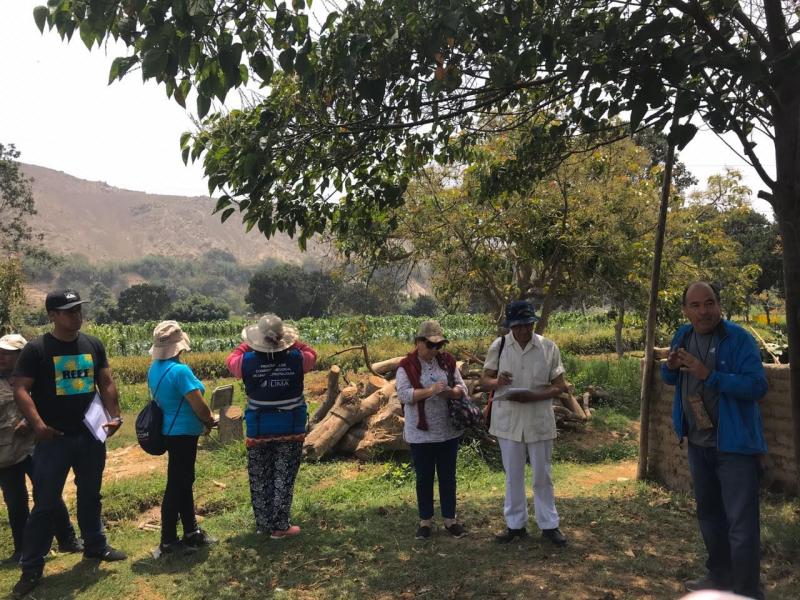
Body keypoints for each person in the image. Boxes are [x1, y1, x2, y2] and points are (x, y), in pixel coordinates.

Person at [11, 289, 126, 597]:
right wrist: (38, 425)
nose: (77, 315)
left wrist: (114, 415)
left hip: (90, 435)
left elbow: (106, 381)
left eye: (78, 309)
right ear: (52, 315)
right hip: (54, 440)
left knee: (91, 495)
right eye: (69, 311)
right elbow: (21, 389)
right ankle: (32, 567)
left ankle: (95, 546)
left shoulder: (92, 344)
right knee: (46, 504)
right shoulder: (37, 350)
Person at [661, 281, 767, 599]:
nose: (703, 311)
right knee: (709, 515)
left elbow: (757, 386)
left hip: (734, 446)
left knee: (741, 522)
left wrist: (711, 376)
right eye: (695, 305)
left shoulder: (738, 339)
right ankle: (720, 577)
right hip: (698, 442)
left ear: (719, 305)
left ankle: (747, 590)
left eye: (709, 303)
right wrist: (670, 367)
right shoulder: (683, 335)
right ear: (685, 310)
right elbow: (670, 378)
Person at [480, 300, 569, 546]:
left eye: (527, 325)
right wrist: (497, 382)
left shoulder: (548, 348)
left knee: (542, 474)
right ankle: (515, 525)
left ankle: (549, 525)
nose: (522, 331)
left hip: (538, 418)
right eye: (517, 327)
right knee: (513, 475)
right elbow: (484, 380)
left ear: (533, 322)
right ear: (510, 326)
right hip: (508, 420)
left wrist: (534, 396)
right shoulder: (499, 347)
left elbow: (560, 386)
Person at [226, 314, 316, 538]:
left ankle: (263, 525)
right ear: (284, 339)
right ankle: (280, 526)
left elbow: (232, 359)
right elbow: (312, 354)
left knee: (260, 477)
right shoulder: (298, 357)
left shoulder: (244, 362)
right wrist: (291, 342)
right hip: (290, 427)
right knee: (283, 476)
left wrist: (251, 343)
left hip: (259, 427)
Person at [0, 334, 82, 564]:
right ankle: (23, 549)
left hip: (35, 446)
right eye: (0, 352)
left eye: (8, 353)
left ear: (21, 356)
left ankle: (67, 539)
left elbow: (48, 403)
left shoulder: (35, 377)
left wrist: (29, 422)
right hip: (6, 453)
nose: (2, 357)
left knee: (48, 493)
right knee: (15, 501)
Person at [396, 320, 470, 540]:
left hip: (448, 430)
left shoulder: (447, 362)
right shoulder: (406, 366)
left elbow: (462, 388)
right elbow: (404, 395)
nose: (435, 350)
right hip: (421, 433)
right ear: (418, 342)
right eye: (430, 345)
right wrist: (429, 391)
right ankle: (425, 521)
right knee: (424, 478)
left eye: (439, 345)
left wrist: (451, 392)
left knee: (448, 477)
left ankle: (450, 520)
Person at [147, 321, 216, 556]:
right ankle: (167, 540)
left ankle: (191, 532)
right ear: (180, 346)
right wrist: (209, 420)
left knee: (183, 482)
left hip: (169, 431)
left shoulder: (154, 368)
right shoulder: (180, 371)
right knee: (177, 485)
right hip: (184, 433)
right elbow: (199, 404)